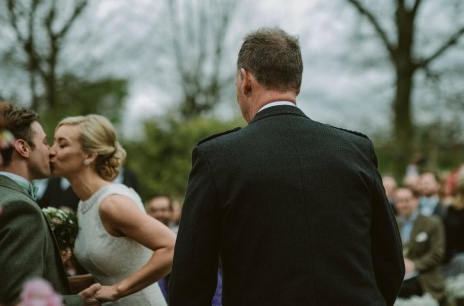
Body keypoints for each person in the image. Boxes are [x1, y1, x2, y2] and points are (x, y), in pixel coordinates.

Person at [168, 27, 405, 305]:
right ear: (297, 84)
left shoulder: (217, 158)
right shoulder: (354, 149)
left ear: (245, 80)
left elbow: (190, 281)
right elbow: (390, 262)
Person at [0, 104, 101, 305]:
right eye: (45, 142)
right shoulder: (19, 208)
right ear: (23, 148)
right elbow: (18, 299)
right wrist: (78, 302)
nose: (51, 151)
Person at [51, 114, 175, 305]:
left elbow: (172, 247)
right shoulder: (84, 204)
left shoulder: (112, 203)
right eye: (53, 143)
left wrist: (118, 290)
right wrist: (55, 285)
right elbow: (108, 274)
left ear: (90, 155)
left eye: (62, 144)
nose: (51, 151)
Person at [394, 186, 447, 303]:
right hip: (396, 277)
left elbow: (437, 253)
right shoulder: (392, 223)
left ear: (416, 200)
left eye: (407, 200)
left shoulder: (432, 223)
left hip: (424, 277)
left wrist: (414, 265)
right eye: (399, 201)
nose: (403, 205)